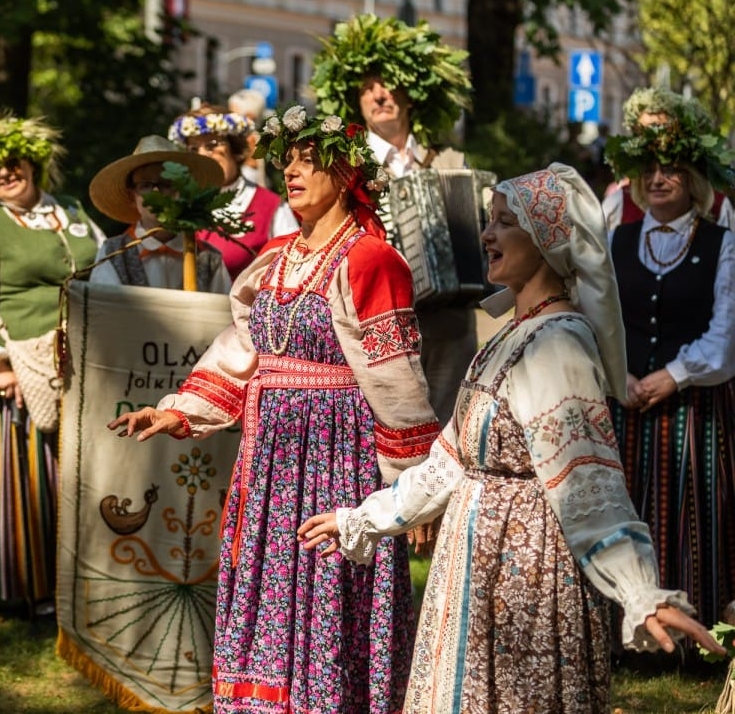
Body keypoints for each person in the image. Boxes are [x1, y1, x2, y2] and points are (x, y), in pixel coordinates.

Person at [296, 163, 726, 713]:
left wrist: (637, 587)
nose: (487, 235)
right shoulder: (513, 335)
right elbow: (450, 462)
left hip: (525, 571)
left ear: (547, 239)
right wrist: (363, 518)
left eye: (504, 223)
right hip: (476, 560)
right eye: (489, 221)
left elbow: (586, 482)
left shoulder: (558, 344)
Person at [110, 105, 441, 714]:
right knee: (268, 584)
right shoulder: (276, 256)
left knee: (327, 593)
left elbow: (397, 382)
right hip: (270, 464)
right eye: (284, 159)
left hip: (338, 462)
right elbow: (242, 352)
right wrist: (179, 409)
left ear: (344, 172)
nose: (289, 170)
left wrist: (412, 489)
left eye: (306, 159)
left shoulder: (369, 259)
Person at [0, 114, 103, 615]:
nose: (5, 174)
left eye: (13, 163)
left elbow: (109, 270)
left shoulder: (72, 211)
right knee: (30, 477)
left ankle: (78, 582)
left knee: (78, 472)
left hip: (79, 358)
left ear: (33, 163)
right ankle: (27, 585)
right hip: (17, 363)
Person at [605, 105, 735, 630]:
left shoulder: (722, 242)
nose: (659, 179)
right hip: (628, 399)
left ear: (694, 177)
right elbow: (600, 316)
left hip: (695, 408)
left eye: (673, 168)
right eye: (650, 168)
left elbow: (726, 334)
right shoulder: (616, 235)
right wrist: (623, 374)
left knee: (695, 515)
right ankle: (623, 628)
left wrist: (674, 375)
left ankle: (692, 629)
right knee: (622, 511)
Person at [311, 13, 476, 424]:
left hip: (448, 325)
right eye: (368, 87)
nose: (379, 95)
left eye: (390, 85)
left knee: (447, 430)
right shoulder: (348, 163)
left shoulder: (450, 160)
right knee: (385, 432)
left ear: (412, 94)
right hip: (376, 319)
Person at [88, 134, 232, 293]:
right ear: (131, 196)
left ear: (183, 190)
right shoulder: (113, 253)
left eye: (166, 184)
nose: (157, 193)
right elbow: (104, 310)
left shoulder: (209, 259)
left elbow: (223, 313)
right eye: (146, 185)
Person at [168, 104, 297, 279]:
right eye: (193, 149)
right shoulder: (179, 205)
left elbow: (292, 272)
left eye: (212, 144)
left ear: (234, 148)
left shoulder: (271, 206)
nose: (203, 155)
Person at [602, 87, 733, 232]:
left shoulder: (718, 206)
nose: (653, 142)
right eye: (642, 134)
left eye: (660, 130)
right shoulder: (619, 202)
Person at [227, 87, 269, 188]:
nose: (228, 117)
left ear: (250, 116)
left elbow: (250, 173)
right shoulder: (252, 137)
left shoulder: (248, 139)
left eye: (232, 113)